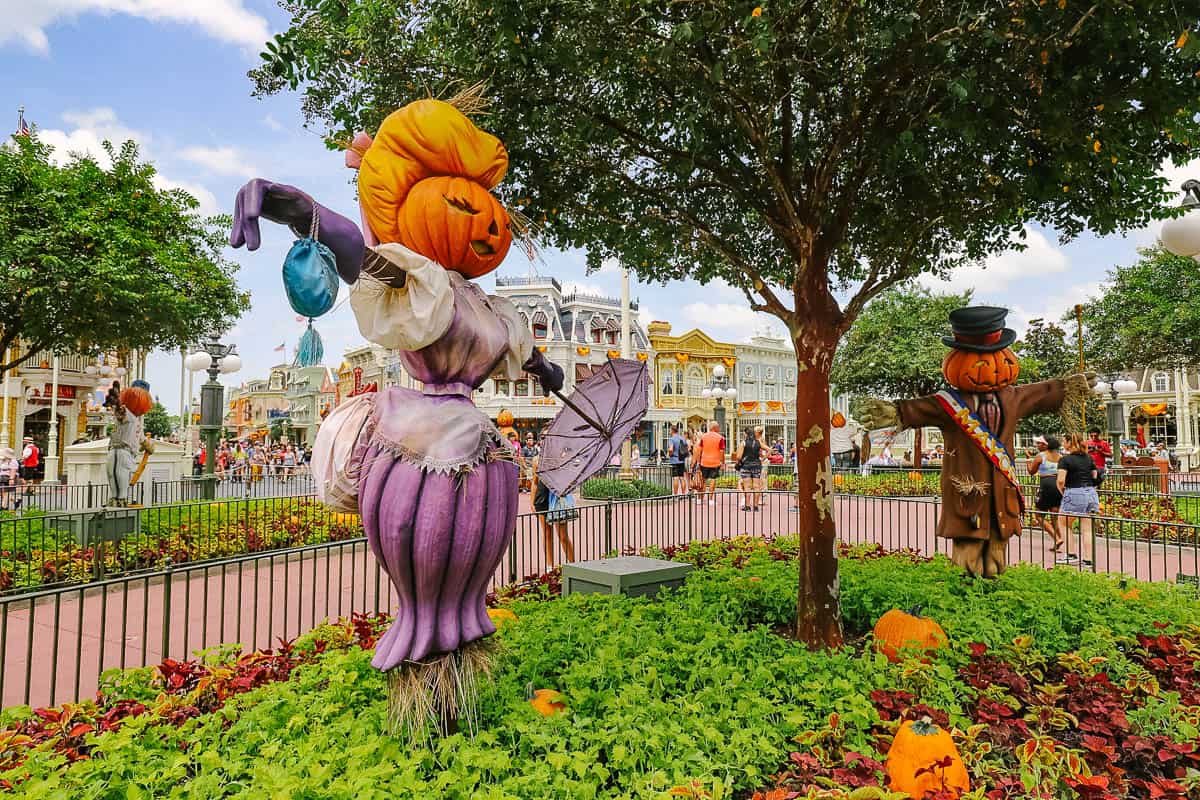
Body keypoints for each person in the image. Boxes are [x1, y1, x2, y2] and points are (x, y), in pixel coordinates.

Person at [1056, 433, 1098, 568]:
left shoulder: (1065, 460)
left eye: (1064, 441)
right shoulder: (1089, 458)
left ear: (1069, 442)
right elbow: (1095, 475)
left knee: (1063, 523)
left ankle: (1071, 554)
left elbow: (1061, 480)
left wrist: (1062, 490)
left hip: (1074, 491)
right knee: (1087, 528)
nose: (1063, 444)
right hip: (1090, 492)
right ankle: (1088, 560)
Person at [532, 455, 577, 568]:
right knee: (547, 533)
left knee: (562, 536)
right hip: (541, 500)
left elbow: (569, 481)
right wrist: (532, 501)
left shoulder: (561, 460)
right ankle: (549, 567)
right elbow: (535, 482)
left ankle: (574, 565)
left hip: (557, 500)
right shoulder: (537, 460)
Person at [1027, 435, 1064, 551]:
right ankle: (1060, 539)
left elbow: (1031, 471)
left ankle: (1057, 538)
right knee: (1054, 516)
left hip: (1046, 485)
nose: (1037, 445)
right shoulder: (1061, 457)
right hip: (1057, 486)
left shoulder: (1041, 456)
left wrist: (1028, 460)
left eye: (1040, 443)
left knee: (1038, 516)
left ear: (1046, 445)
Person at [695, 421, 726, 505]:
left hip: (704, 461)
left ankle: (699, 499)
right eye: (718, 427)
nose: (719, 429)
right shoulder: (720, 438)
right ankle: (711, 500)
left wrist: (698, 461)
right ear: (715, 428)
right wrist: (723, 462)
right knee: (713, 479)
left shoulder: (704, 437)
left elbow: (699, 450)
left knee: (703, 480)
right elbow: (722, 452)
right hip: (715, 462)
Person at [735, 426, 764, 511]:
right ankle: (755, 506)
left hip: (746, 466)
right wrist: (762, 459)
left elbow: (738, 456)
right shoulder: (758, 442)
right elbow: (769, 449)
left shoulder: (743, 443)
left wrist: (740, 459)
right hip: (757, 465)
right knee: (756, 486)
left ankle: (747, 506)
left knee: (747, 487)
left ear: (746, 433)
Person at [665, 424, 690, 496]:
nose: (669, 431)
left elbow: (670, 449)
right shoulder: (682, 438)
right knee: (682, 477)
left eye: (670, 430)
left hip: (674, 460)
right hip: (681, 460)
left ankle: (675, 495)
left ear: (672, 430)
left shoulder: (672, 439)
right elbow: (687, 449)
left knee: (675, 478)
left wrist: (669, 454)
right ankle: (683, 494)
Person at [0, 447, 19, 511]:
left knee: (6, 492)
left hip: (9, 477)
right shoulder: (3, 460)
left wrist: (11, 479)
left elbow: (13, 470)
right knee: (3, 492)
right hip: (2, 477)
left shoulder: (13, 461)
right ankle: (16, 500)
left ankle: (4, 506)